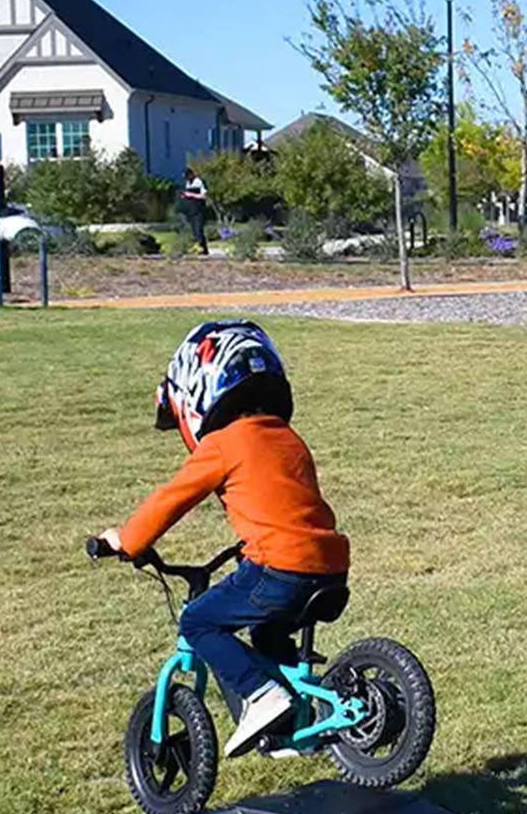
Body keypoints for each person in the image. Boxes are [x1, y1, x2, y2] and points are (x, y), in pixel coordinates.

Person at [99, 321, 349, 757]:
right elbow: (285, 505)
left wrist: (127, 540)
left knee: (197, 621)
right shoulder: (288, 438)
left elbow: (169, 501)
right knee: (267, 636)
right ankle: (296, 722)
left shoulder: (222, 444)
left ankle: (263, 696)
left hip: (279, 569)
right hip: (329, 566)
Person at [180, 167, 210, 254]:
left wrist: (191, 194)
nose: (186, 179)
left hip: (199, 209)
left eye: (187, 176)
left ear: (191, 174)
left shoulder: (199, 182)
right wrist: (185, 196)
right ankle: (204, 250)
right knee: (194, 230)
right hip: (191, 210)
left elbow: (203, 196)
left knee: (199, 229)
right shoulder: (188, 183)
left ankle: (200, 247)